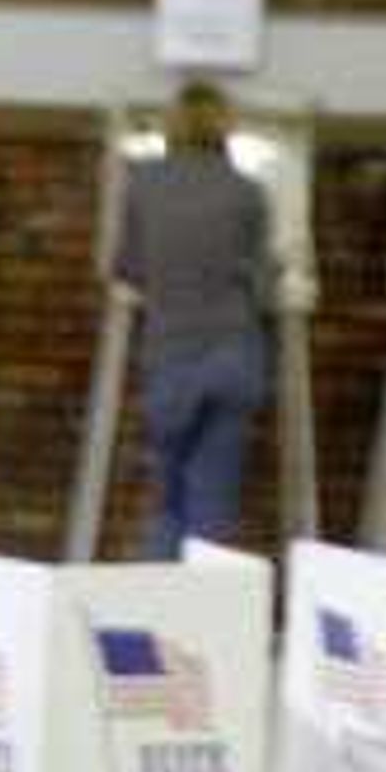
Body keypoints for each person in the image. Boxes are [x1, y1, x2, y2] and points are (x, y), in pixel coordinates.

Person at [119, 84, 275, 557]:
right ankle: (208, 616)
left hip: (171, 356)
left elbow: (126, 266)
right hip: (234, 355)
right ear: (225, 125)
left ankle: (163, 612)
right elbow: (262, 283)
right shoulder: (248, 191)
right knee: (213, 502)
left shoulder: (142, 184)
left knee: (166, 498)